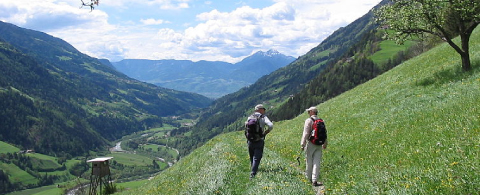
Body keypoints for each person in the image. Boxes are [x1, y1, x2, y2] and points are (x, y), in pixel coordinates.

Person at [301, 106, 328, 186]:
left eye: (309, 112)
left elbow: (306, 133)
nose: (308, 113)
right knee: (317, 161)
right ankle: (315, 180)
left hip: (311, 143)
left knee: (309, 160)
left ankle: (308, 178)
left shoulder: (309, 121)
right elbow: (324, 133)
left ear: (312, 112)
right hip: (319, 144)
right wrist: (325, 143)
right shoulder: (321, 121)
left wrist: (303, 143)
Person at [245, 104, 273, 179]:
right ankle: (253, 173)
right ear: (260, 110)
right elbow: (270, 125)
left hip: (250, 140)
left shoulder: (250, 117)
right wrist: (265, 133)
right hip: (259, 139)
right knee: (257, 157)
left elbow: (246, 126)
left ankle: (253, 168)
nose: (264, 111)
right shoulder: (263, 117)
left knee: (252, 155)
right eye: (263, 109)